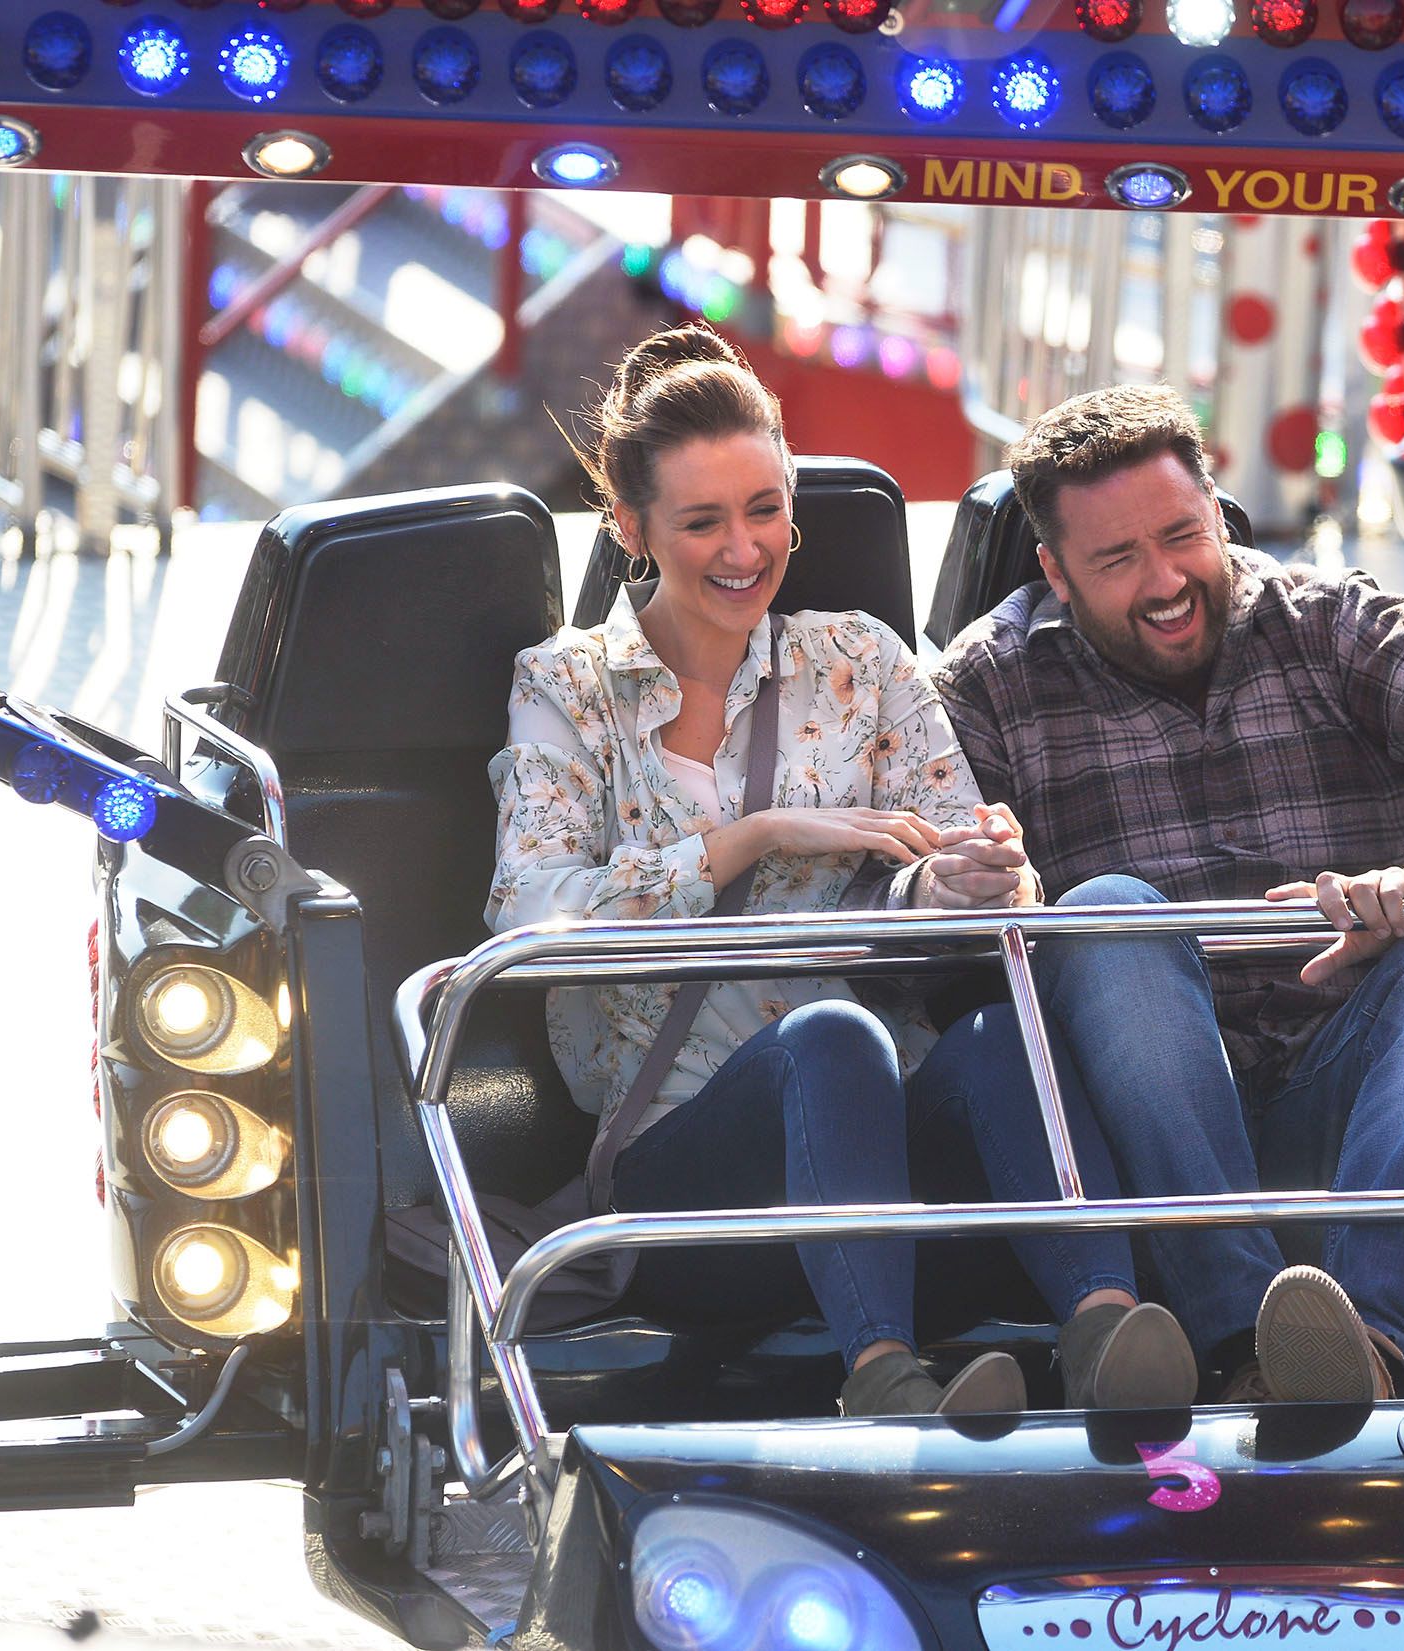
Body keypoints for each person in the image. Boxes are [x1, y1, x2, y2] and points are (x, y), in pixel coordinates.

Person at [485, 326, 1195, 1418]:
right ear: (629, 527)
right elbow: (530, 914)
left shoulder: (859, 657)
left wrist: (965, 877)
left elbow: (961, 870)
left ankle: (1108, 1329)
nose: (743, 549)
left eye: (764, 509)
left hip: (900, 1148)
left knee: (1000, 1034)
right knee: (829, 1037)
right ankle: (884, 1376)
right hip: (692, 1170)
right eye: (703, 521)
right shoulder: (567, 687)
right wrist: (754, 835)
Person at [934, 384, 1404, 1404]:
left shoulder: (1322, 620)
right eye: (1116, 560)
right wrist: (972, 883)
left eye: (1181, 536)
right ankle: (1241, 1345)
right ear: (1054, 574)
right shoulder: (985, 687)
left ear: (1216, 511)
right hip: (1141, 1139)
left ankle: (1364, 1354)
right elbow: (936, 909)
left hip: (1348, 1095)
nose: (1163, 581)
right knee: (1105, 907)